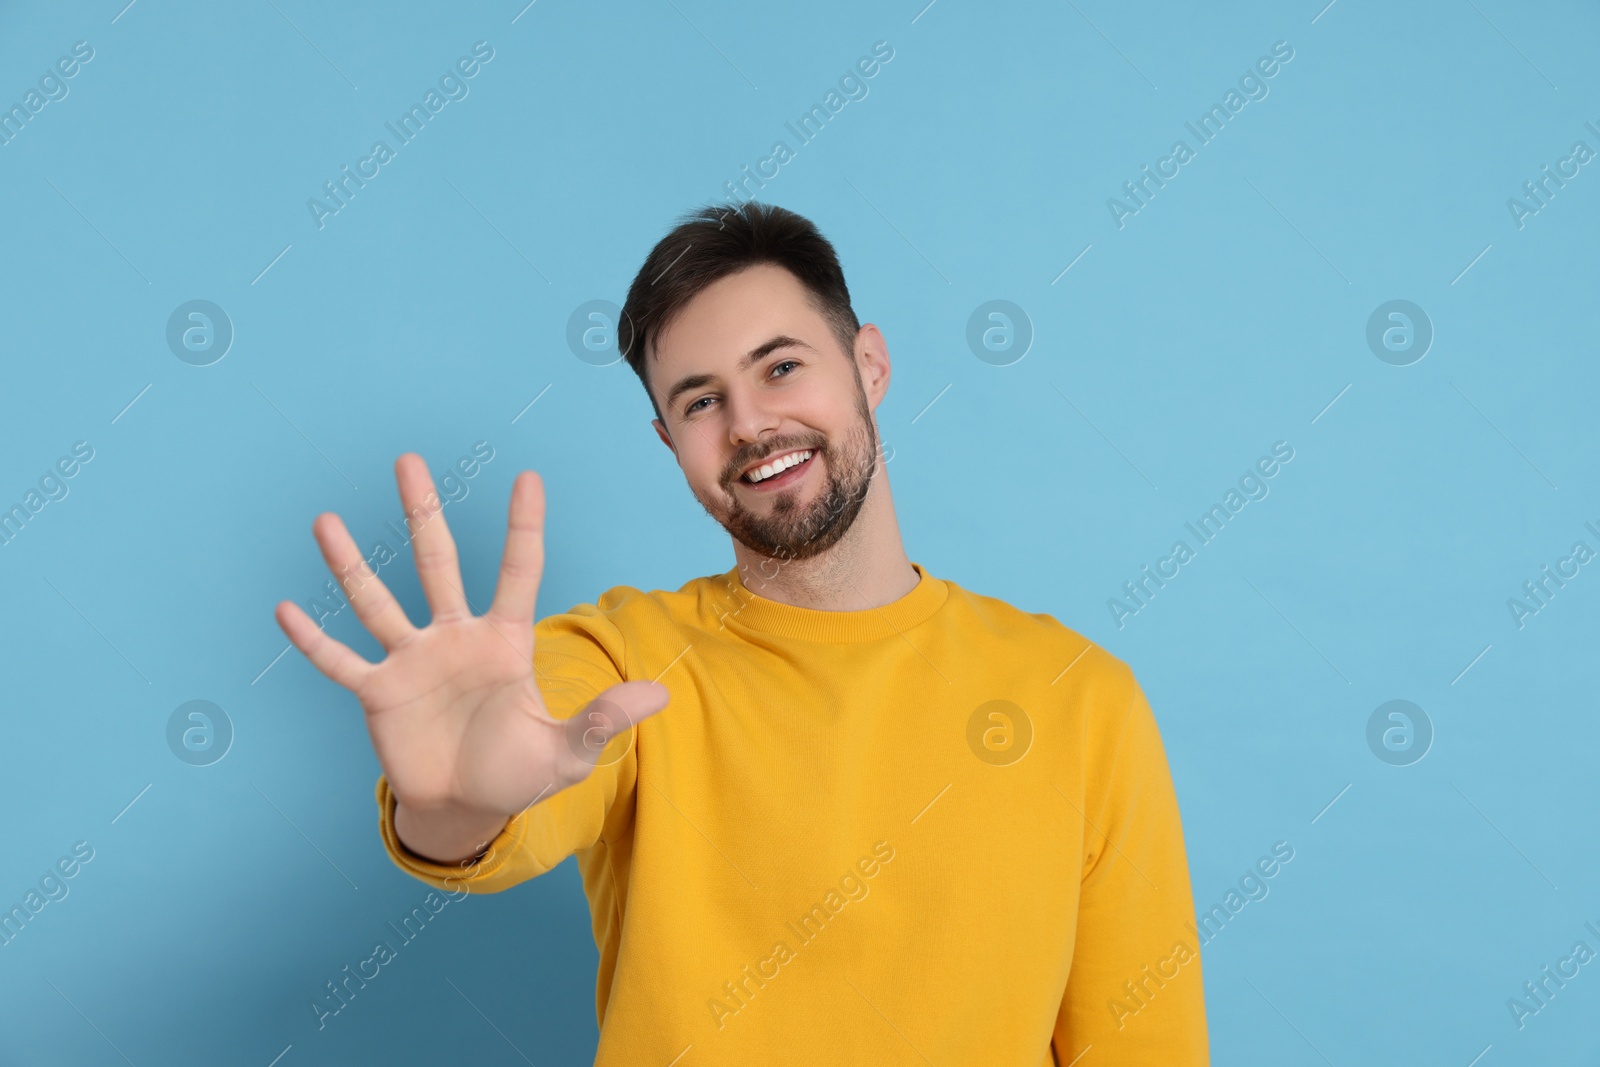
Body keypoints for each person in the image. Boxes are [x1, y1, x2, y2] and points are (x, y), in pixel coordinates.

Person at [273, 201, 1210, 1064]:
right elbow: (518, 774)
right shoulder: (617, 662)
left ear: (870, 366)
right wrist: (451, 802)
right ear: (669, 441)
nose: (753, 423)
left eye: (782, 366)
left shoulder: (1079, 695)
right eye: (701, 400)